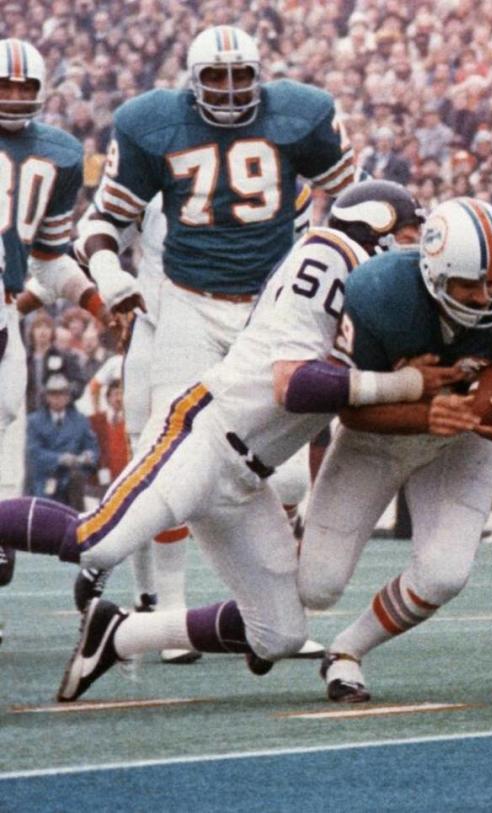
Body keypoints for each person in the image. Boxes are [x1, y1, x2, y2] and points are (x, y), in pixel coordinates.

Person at [0, 181, 453, 703]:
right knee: (96, 541)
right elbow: (296, 384)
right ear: (373, 227)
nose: (415, 247)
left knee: (279, 633)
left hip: (246, 474)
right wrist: (409, 383)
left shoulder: (374, 293)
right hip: (205, 437)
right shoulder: (330, 255)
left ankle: (121, 634)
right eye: (407, 233)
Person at [73, 25, 353, 659]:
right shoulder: (150, 124)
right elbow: (104, 220)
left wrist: (319, 245)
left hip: (272, 308)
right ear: (191, 82)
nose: (229, 91)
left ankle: (256, 613)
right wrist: (111, 275)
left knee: (284, 484)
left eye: (240, 77)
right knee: (176, 462)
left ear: (260, 74)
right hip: (189, 309)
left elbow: (346, 191)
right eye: (216, 79)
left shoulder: (302, 113)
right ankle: (115, 568)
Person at [296, 197, 492, 703]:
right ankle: (281, 562)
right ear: (433, 274)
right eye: (469, 283)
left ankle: (346, 652)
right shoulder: (380, 293)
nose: (484, 296)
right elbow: (348, 408)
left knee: (445, 574)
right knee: (317, 587)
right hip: (378, 439)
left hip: (459, 442)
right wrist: (421, 408)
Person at [0, 39, 124, 506]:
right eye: (3, 87)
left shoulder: (62, 153)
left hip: (6, 307)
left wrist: (96, 304)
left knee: (7, 412)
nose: (12, 97)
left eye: (22, 87)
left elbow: (49, 259)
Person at [25, 374, 99, 510]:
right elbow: (33, 452)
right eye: (53, 394)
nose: (58, 398)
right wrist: (59, 459)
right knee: (45, 506)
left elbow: (92, 447)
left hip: (73, 481)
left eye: (62, 394)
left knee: (78, 487)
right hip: (46, 480)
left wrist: (88, 456)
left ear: (68, 396)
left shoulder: (80, 420)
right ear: (46, 397)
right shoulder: (34, 421)